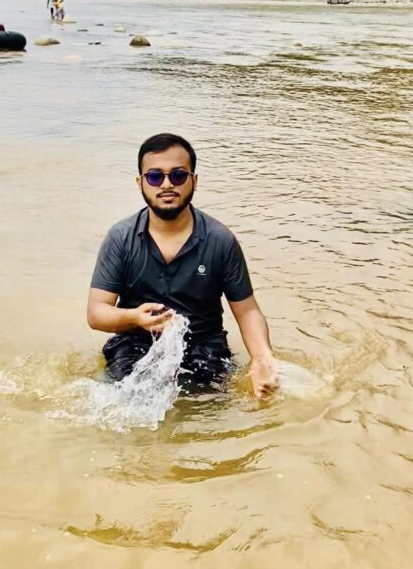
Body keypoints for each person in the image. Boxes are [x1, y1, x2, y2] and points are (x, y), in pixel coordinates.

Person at [87, 133, 279, 397]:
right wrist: (134, 318)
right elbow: (97, 313)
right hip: (134, 342)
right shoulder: (121, 238)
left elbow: (246, 311)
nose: (166, 185)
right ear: (140, 183)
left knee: (206, 410)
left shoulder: (220, 240)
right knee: (123, 400)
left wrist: (262, 359)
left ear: (194, 181)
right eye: (155, 176)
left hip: (204, 347)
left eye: (178, 175)